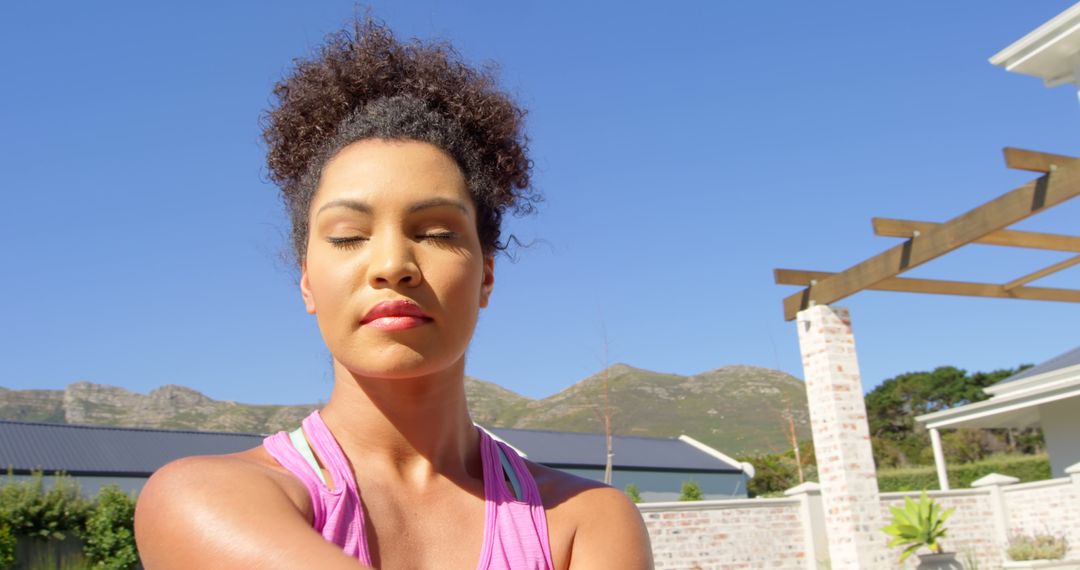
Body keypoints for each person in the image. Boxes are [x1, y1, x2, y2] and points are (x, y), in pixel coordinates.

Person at [133, 16, 653, 570]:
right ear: (307, 281)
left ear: (486, 278)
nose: (392, 265)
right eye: (348, 237)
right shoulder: (202, 500)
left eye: (436, 233)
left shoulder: (586, 520)